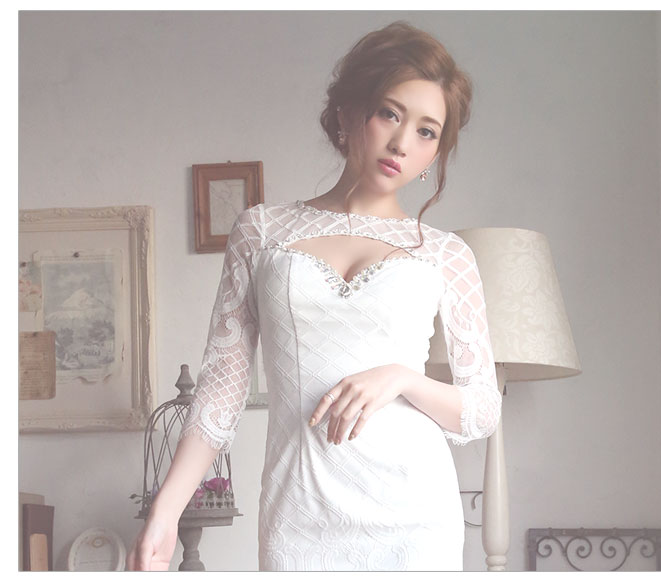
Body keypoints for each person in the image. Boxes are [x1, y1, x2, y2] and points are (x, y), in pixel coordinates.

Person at [127, 21, 501, 571]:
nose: (402, 143)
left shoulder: (446, 254)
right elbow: (219, 394)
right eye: (390, 113)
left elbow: (482, 411)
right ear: (347, 113)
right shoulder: (261, 231)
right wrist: (165, 510)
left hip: (415, 517)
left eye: (427, 132)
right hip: (300, 514)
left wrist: (400, 378)